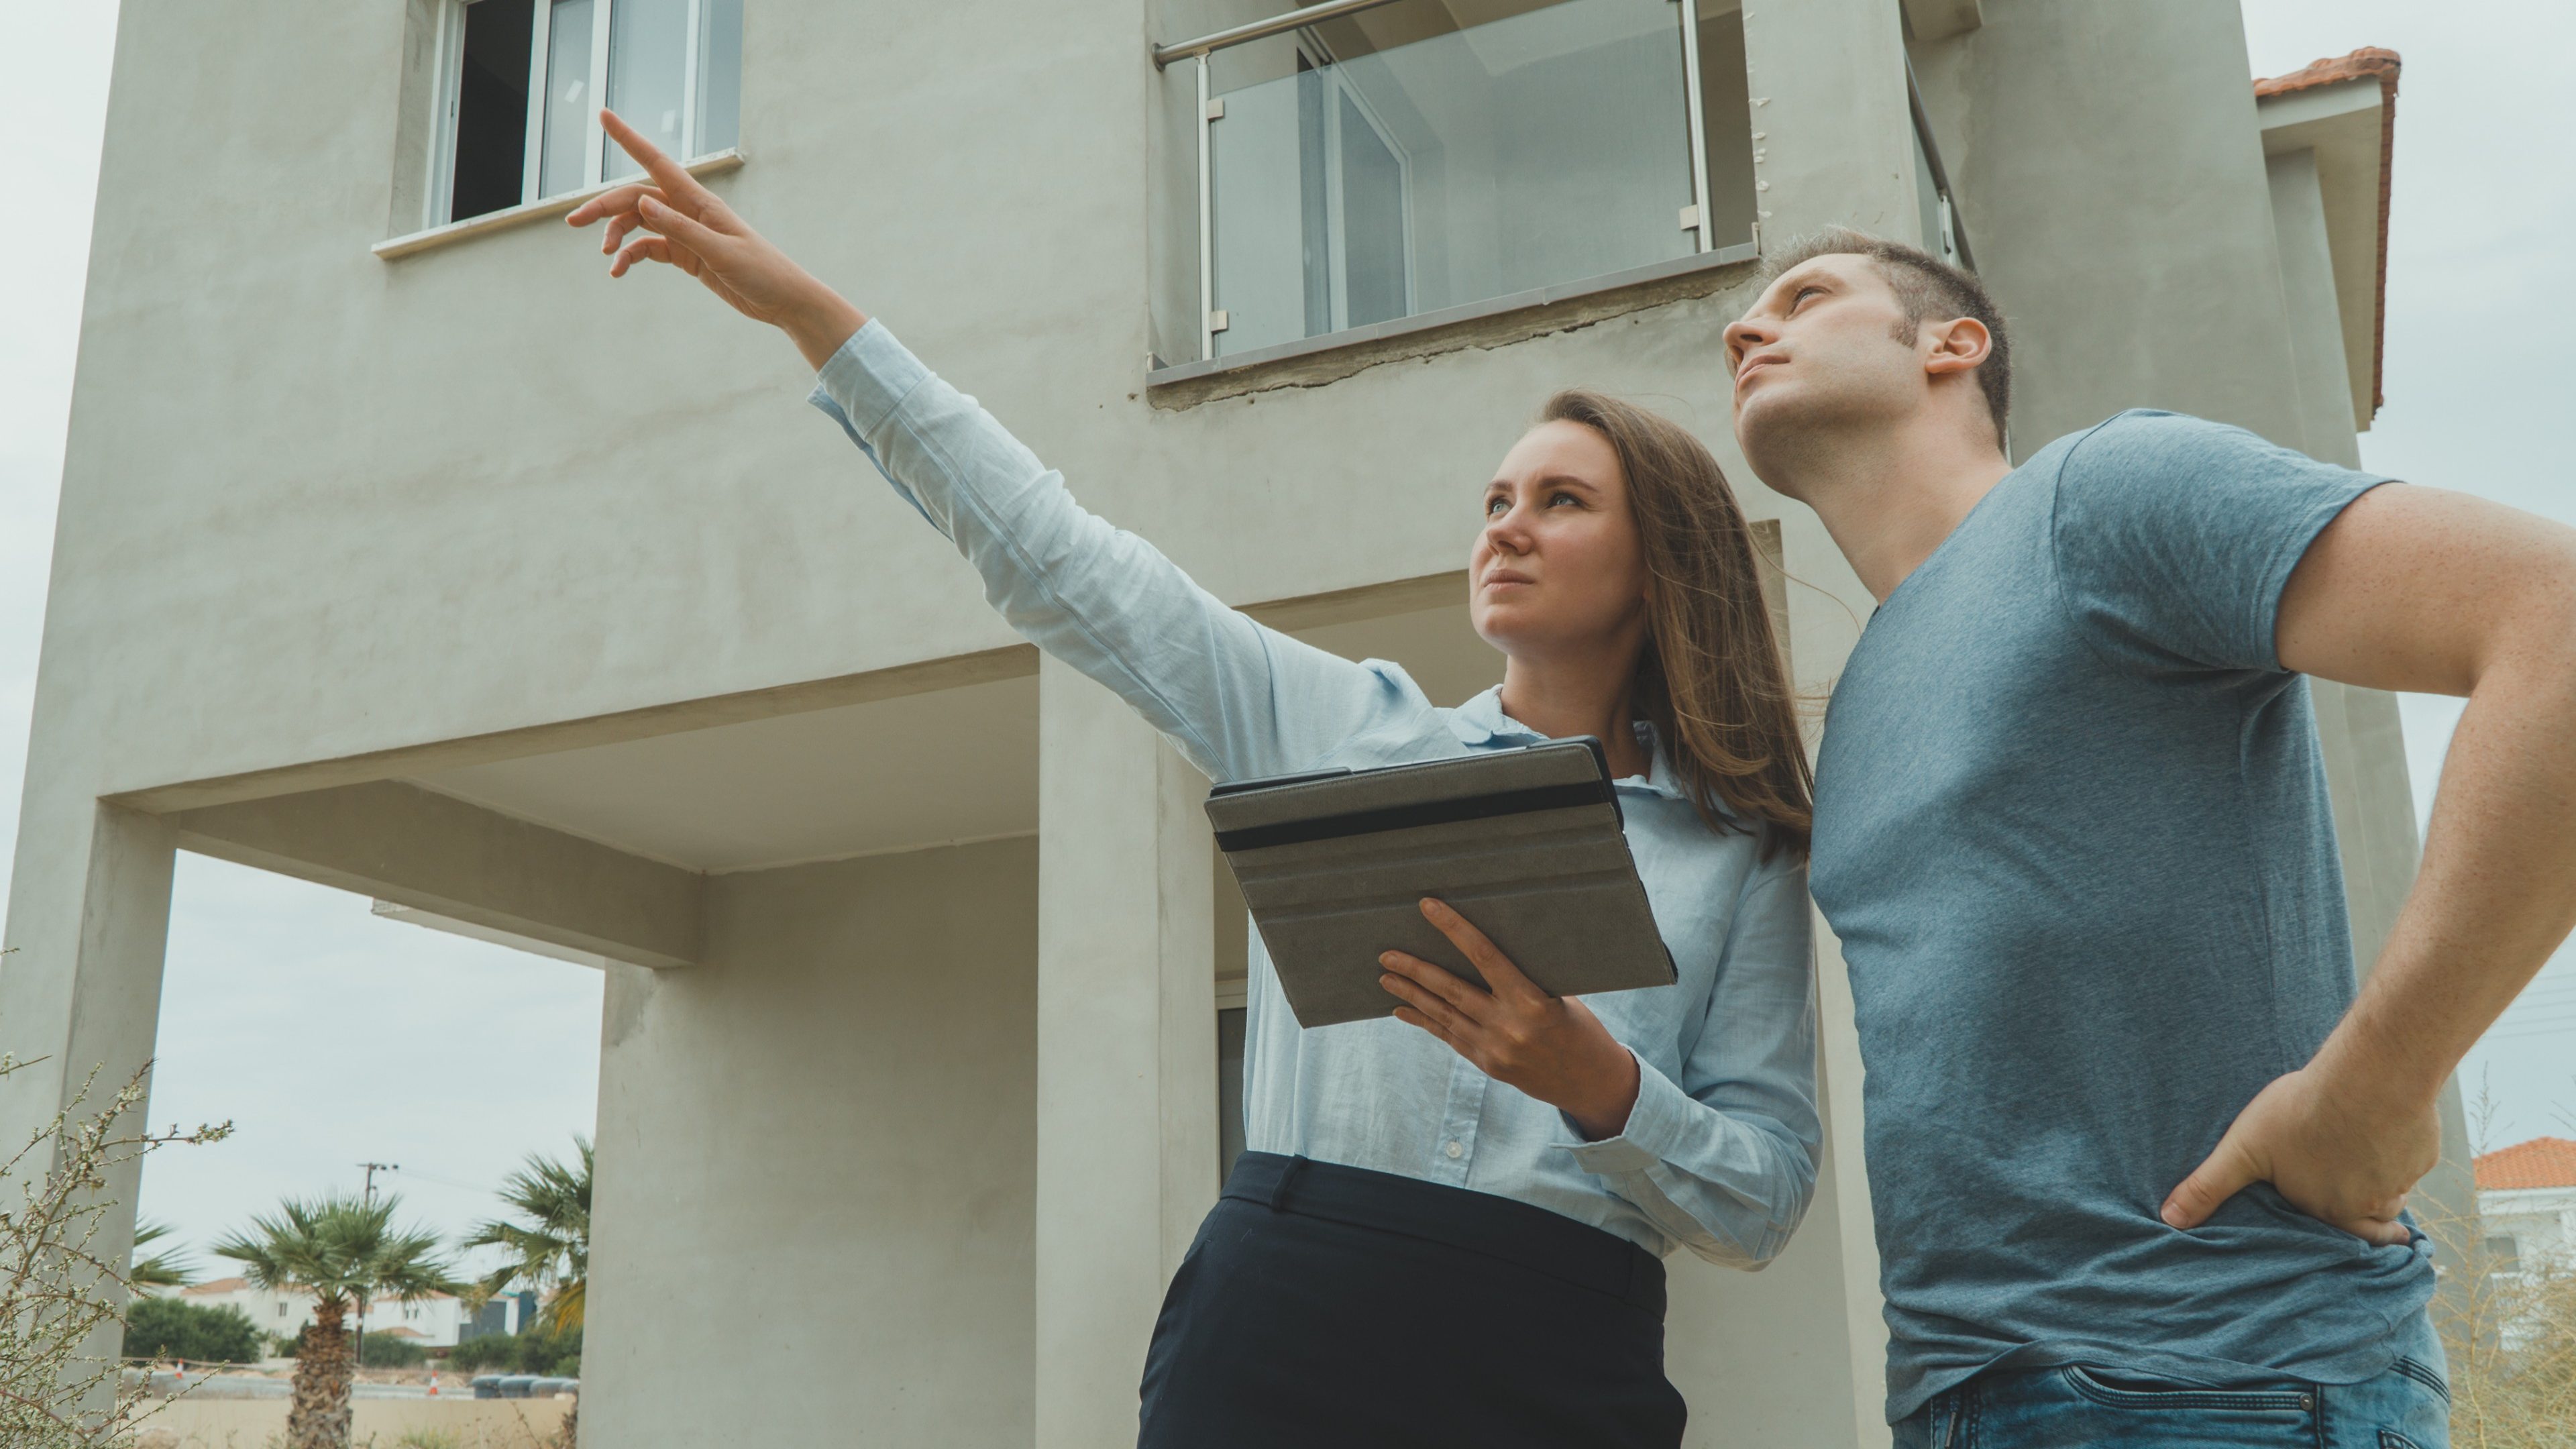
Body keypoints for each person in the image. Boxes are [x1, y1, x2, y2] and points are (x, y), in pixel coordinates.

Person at [568, 110, 1823, 1448]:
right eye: (1496, 499)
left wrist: (1601, 1083)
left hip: (1560, 1347)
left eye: (1562, 501)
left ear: (1663, 559)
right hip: (1285, 1318)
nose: (1506, 525)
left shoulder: (1736, 852)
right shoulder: (1345, 728)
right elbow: (1066, 561)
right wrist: (816, 319)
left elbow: (1763, 1198)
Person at [1721, 227, 2576, 1448]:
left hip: (2218, 1377)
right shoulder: (1860, 703)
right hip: (1964, 1399)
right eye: (1742, 322)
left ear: (1952, 347)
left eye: (1803, 298)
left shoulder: (2103, 496)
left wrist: (2378, 1084)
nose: (1748, 330)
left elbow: (2559, 619)